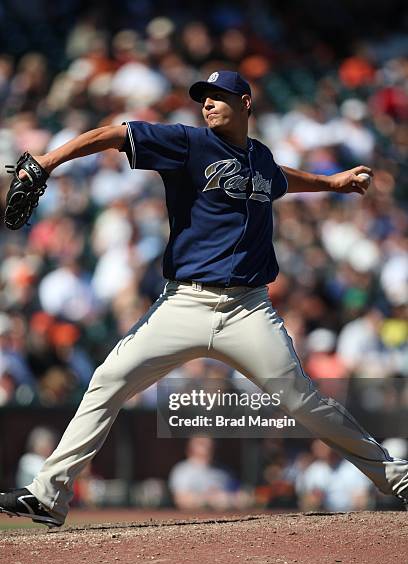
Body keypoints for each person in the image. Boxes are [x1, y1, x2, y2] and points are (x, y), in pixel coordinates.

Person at [1, 70, 407, 527]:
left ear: (246, 103)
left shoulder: (259, 156)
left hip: (248, 309)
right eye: (205, 98)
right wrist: (49, 161)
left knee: (302, 401)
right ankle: (48, 494)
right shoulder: (189, 143)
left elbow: (276, 178)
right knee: (109, 379)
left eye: (220, 96)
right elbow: (116, 134)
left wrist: (330, 183)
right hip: (184, 304)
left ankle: (397, 479)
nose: (209, 104)